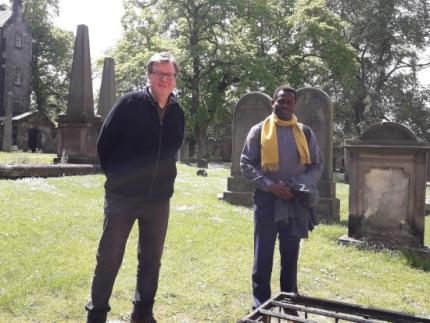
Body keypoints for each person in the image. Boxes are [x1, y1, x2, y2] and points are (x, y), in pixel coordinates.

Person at [85, 52, 185, 323]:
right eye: (159, 73)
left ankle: (142, 313)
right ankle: (97, 315)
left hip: (158, 200)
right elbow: (105, 143)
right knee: (109, 257)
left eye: (169, 74)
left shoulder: (177, 112)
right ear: (149, 76)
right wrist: (119, 179)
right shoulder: (130, 103)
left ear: (175, 80)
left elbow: (172, 149)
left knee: (151, 259)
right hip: (123, 197)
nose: (165, 78)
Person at [240, 85, 323, 313]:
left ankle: (289, 303)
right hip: (267, 200)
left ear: (294, 105)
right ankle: (260, 305)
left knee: (290, 254)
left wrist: (297, 185)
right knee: (263, 255)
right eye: (281, 101)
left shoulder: (305, 132)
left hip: (293, 201)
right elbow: (246, 163)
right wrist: (270, 186)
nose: (285, 105)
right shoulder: (259, 131)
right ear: (273, 103)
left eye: (289, 102)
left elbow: (316, 164)